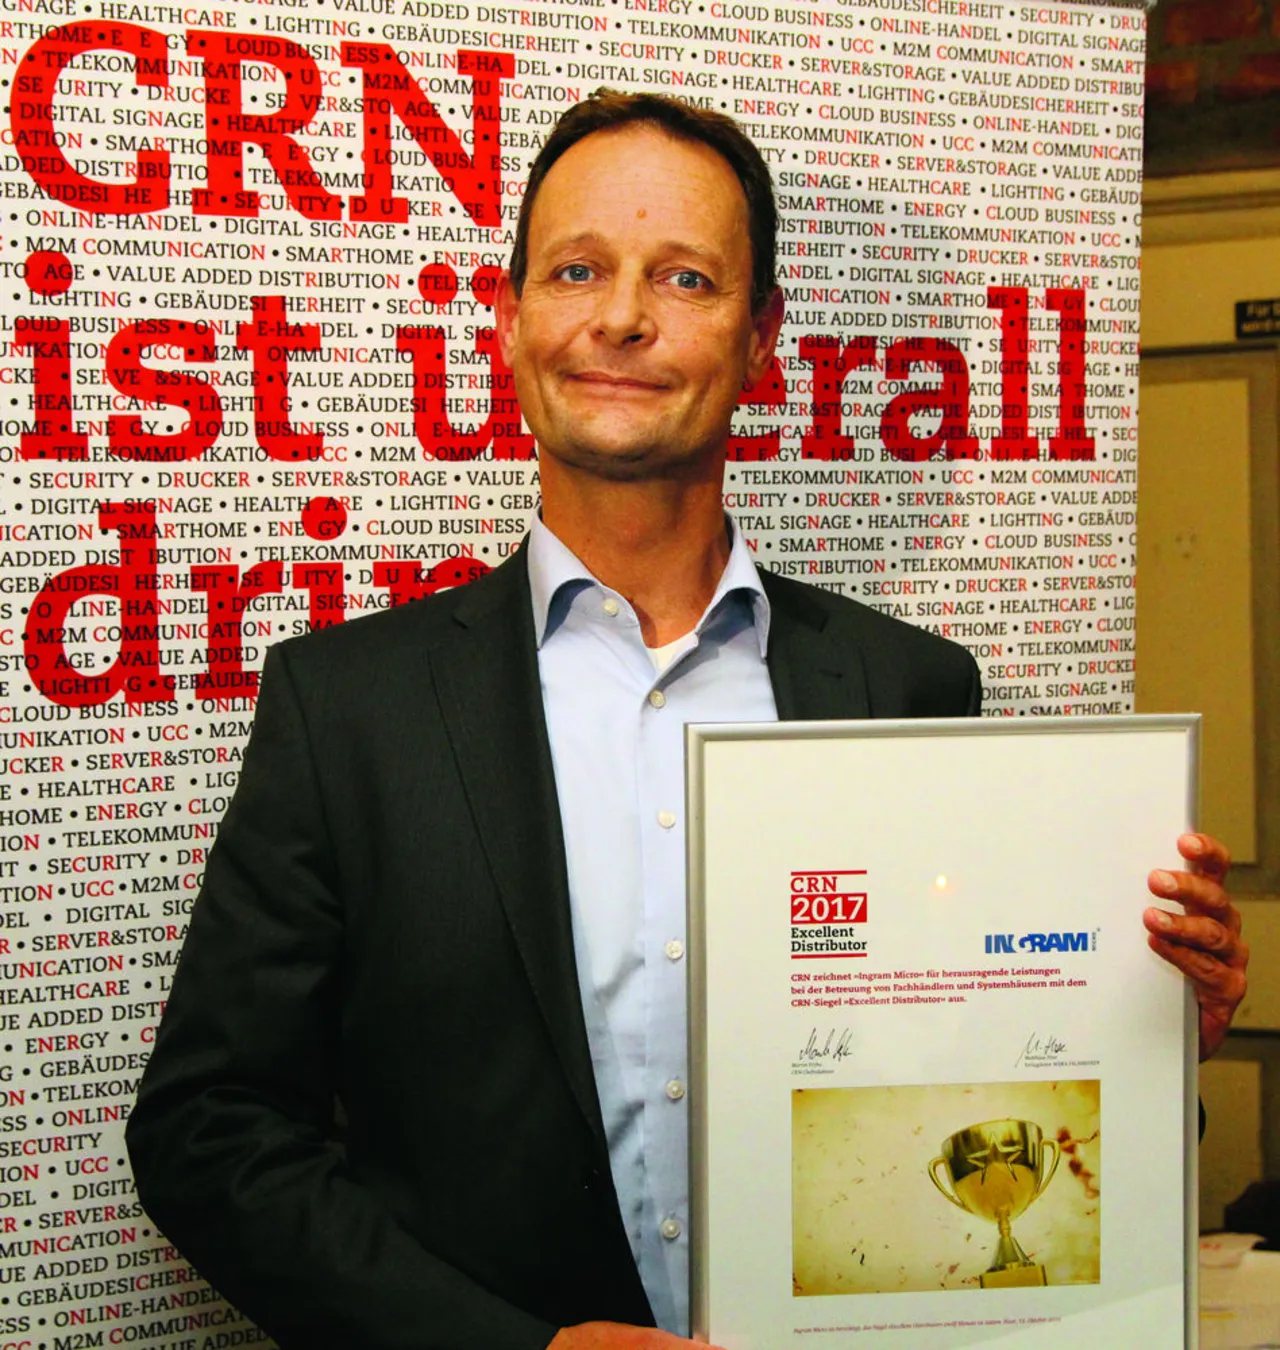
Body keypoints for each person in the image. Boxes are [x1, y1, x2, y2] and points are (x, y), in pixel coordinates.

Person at [126, 92, 1249, 1350]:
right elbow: (209, 1133)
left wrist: (1140, 1039)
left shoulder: (907, 687)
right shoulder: (349, 713)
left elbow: (971, 1092)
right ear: (508, 319)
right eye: (575, 270)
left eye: (684, 278)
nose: (620, 317)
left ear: (759, 336)